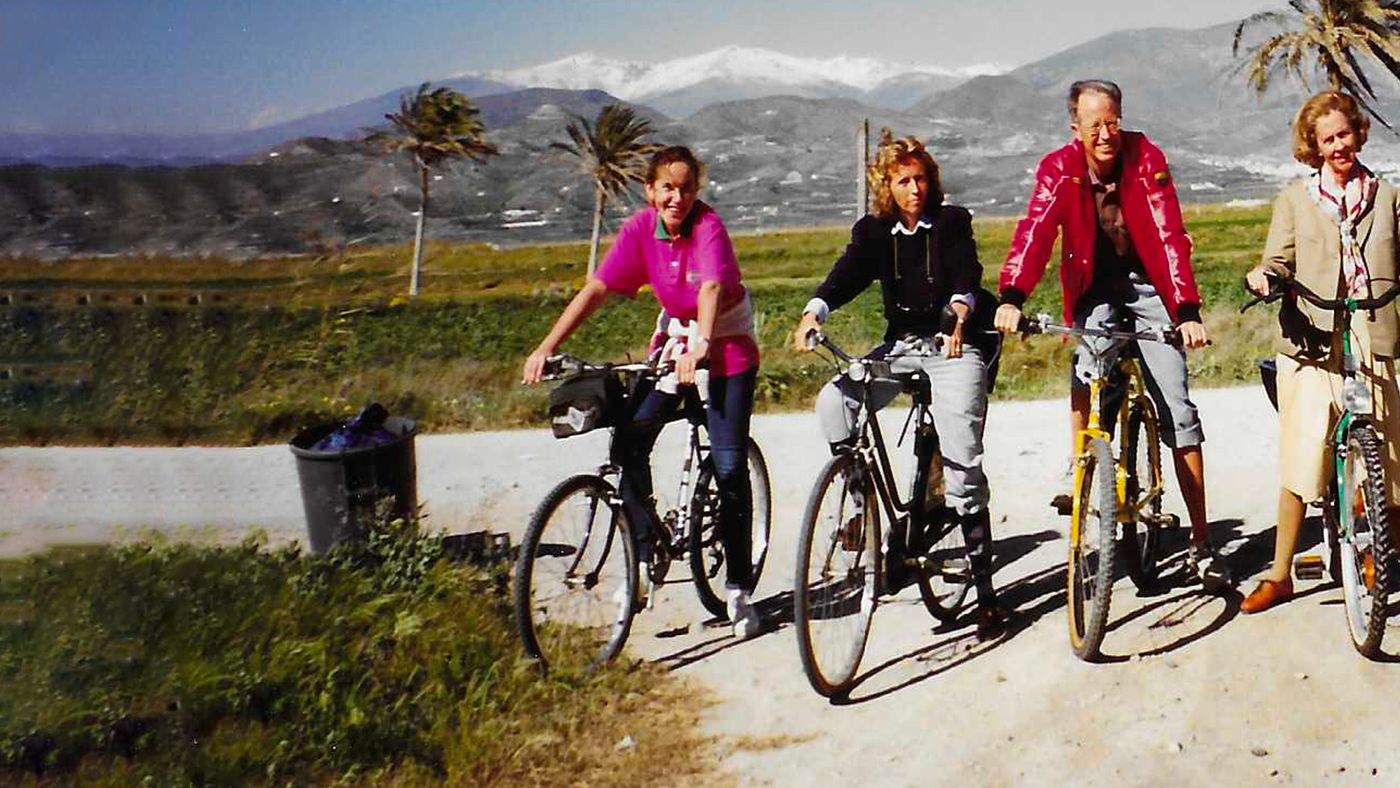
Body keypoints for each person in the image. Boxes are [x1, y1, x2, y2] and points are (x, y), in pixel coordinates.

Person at [992, 79, 1229, 591]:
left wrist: (1185, 309)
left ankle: (1202, 543)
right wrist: (1012, 295)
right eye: (1093, 124)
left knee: (1178, 407)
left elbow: (1169, 235)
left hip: (1150, 287)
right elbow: (1034, 231)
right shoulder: (1060, 168)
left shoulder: (1146, 158)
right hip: (1094, 288)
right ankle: (1084, 471)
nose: (1104, 133)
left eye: (1112, 121)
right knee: (1089, 364)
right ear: (1075, 127)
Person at [522, 146, 763, 639]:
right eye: (667, 188)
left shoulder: (708, 227)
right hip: (677, 343)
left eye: (687, 188)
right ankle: (643, 551)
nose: (678, 197)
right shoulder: (639, 231)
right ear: (650, 190)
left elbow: (713, 288)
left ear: (697, 192)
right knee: (629, 437)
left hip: (728, 344)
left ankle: (738, 586)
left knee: (730, 463)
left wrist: (701, 343)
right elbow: (596, 289)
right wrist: (548, 346)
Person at [793, 131, 1007, 641]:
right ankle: (863, 508)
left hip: (957, 343)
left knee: (963, 466)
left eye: (921, 179)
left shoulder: (953, 222)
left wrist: (958, 314)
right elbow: (845, 275)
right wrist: (813, 312)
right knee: (835, 402)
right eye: (903, 181)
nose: (914, 189)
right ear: (886, 186)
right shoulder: (874, 232)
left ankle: (986, 597)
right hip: (903, 346)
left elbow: (966, 274)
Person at [1241, 90, 1400, 613]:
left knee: (1390, 456)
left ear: (1359, 133)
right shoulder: (1295, 199)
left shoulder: (1386, 195)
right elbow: (1278, 256)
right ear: (1313, 145)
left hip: (1371, 329)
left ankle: (1386, 559)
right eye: (1327, 138)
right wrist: (1266, 276)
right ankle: (1281, 572)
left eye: (1345, 134)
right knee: (1303, 457)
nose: (1339, 145)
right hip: (1311, 336)